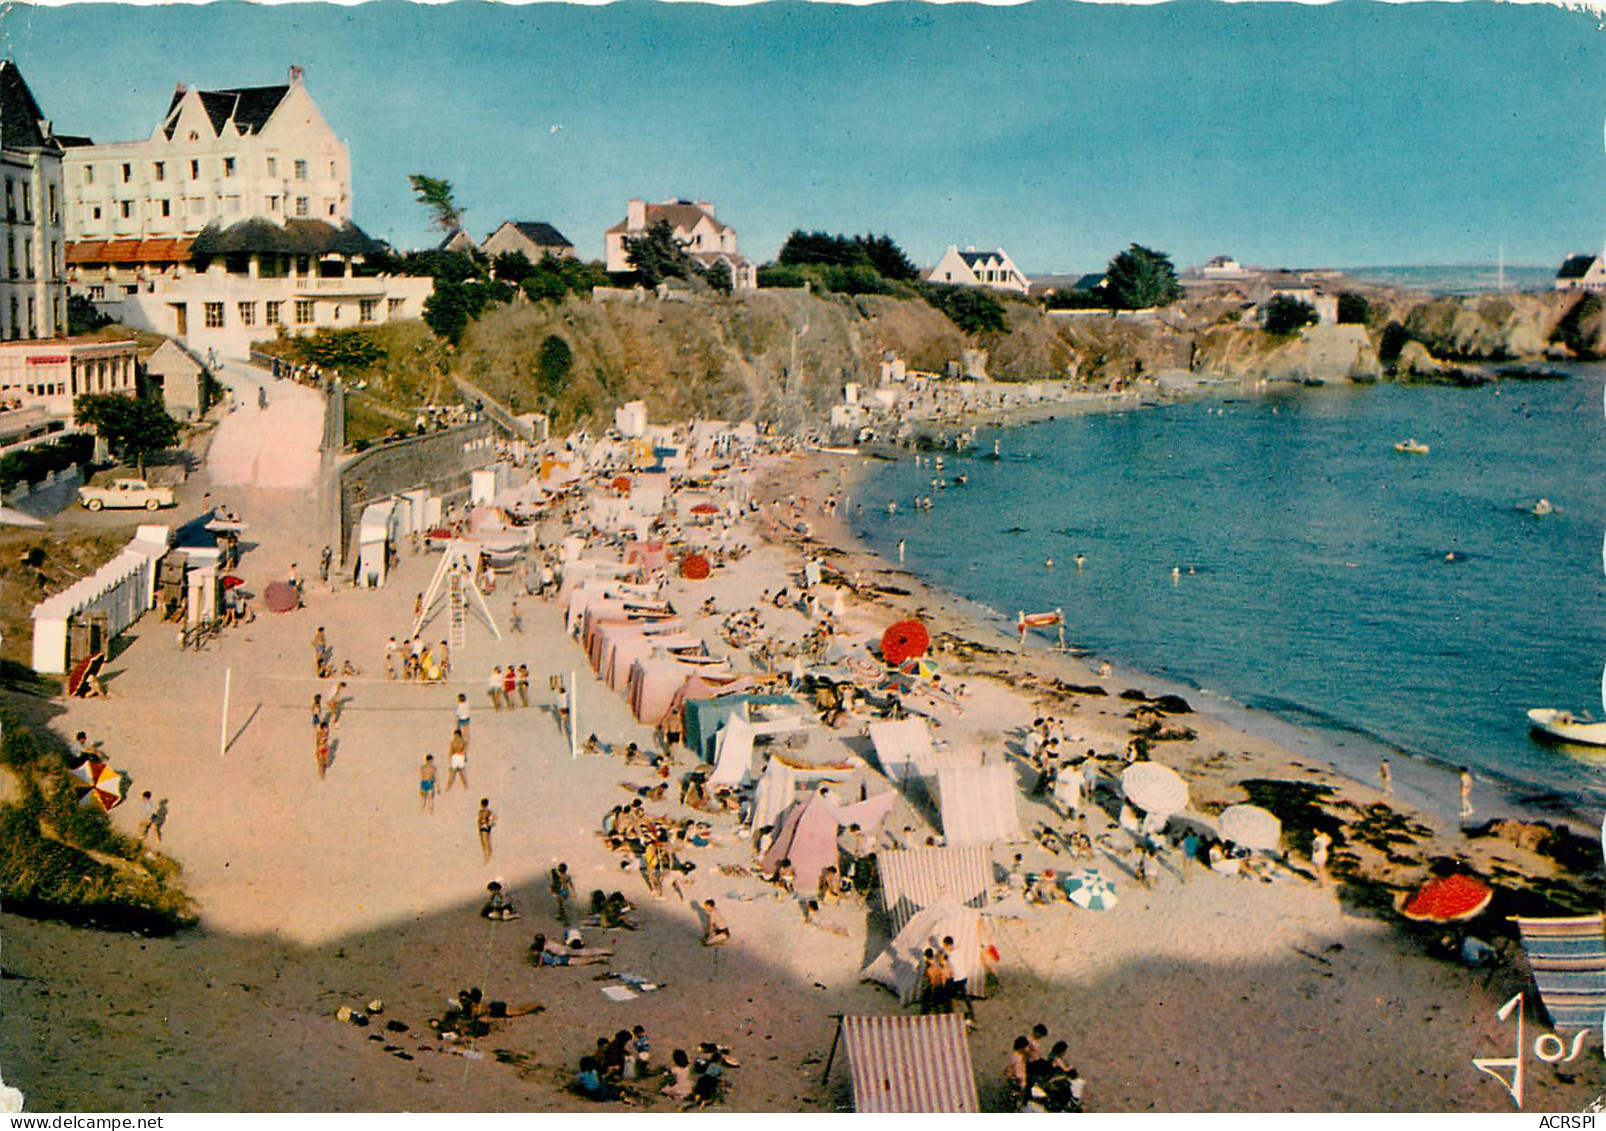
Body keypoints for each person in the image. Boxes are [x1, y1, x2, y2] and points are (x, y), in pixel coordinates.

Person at [477, 799, 496, 863]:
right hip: (484, 828)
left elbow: (479, 821)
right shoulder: (482, 812)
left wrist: (490, 825)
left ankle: (487, 858)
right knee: (484, 843)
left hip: (484, 828)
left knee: (486, 843)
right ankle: (486, 857)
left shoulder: (484, 812)